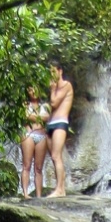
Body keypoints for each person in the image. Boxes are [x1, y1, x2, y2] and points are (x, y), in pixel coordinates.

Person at [44, 61, 74, 197]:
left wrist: (52, 89)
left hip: (60, 123)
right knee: (54, 157)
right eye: (50, 72)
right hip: (50, 124)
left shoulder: (66, 86)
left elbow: (54, 103)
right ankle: (60, 188)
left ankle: (59, 189)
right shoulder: (54, 88)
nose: (52, 75)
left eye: (53, 72)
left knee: (56, 155)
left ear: (60, 71)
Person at [20, 86, 47, 196]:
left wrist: (33, 116)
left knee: (39, 168)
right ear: (27, 92)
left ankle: (39, 195)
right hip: (28, 135)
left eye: (36, 89)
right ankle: (26, 193)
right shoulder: (25, 104)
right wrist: (40, 117)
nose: (34, 91)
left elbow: (48, 118)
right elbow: (26, 116)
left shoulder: (45, 106)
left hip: (41, 136)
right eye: (31, 89)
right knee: (27, 165)